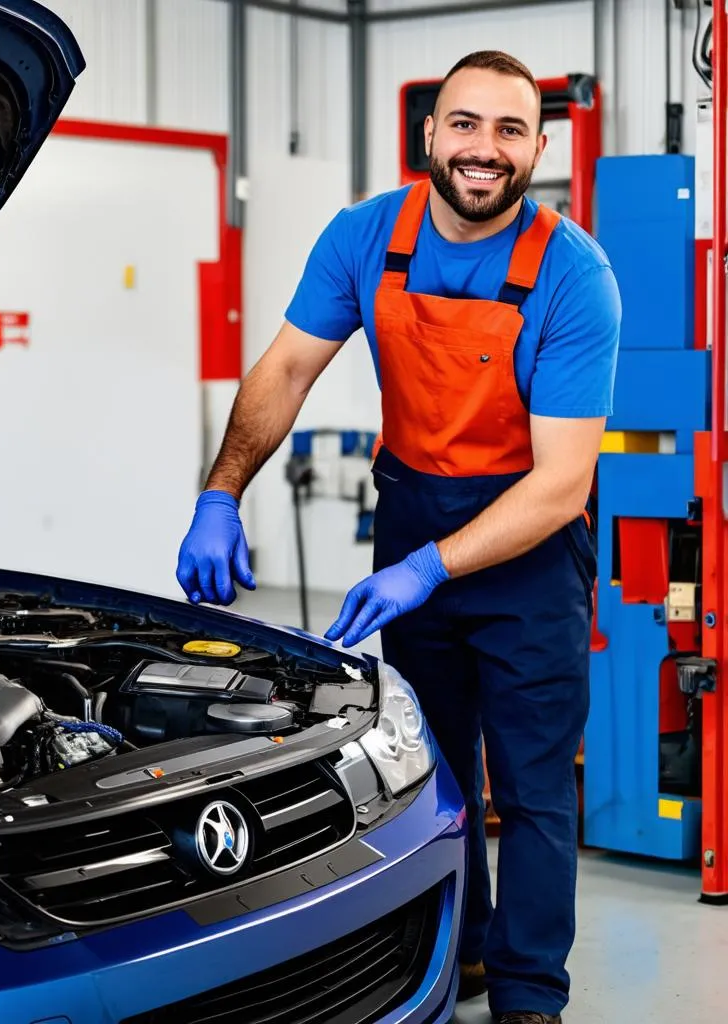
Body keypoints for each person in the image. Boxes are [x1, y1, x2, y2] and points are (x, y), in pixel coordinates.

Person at [174, 49, 621, 1024]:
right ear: (429, 133)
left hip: (528, 553)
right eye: (464, 124)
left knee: (537, 788)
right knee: (432, 768)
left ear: (538, 148)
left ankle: (528, 994)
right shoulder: (366, 236)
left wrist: (430, 566)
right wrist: (221, 490)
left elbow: (560, 484)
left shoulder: (572, 275)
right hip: (413, 511)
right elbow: (285, 368)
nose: (483, 149)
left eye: (508, 130)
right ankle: (456, 952)